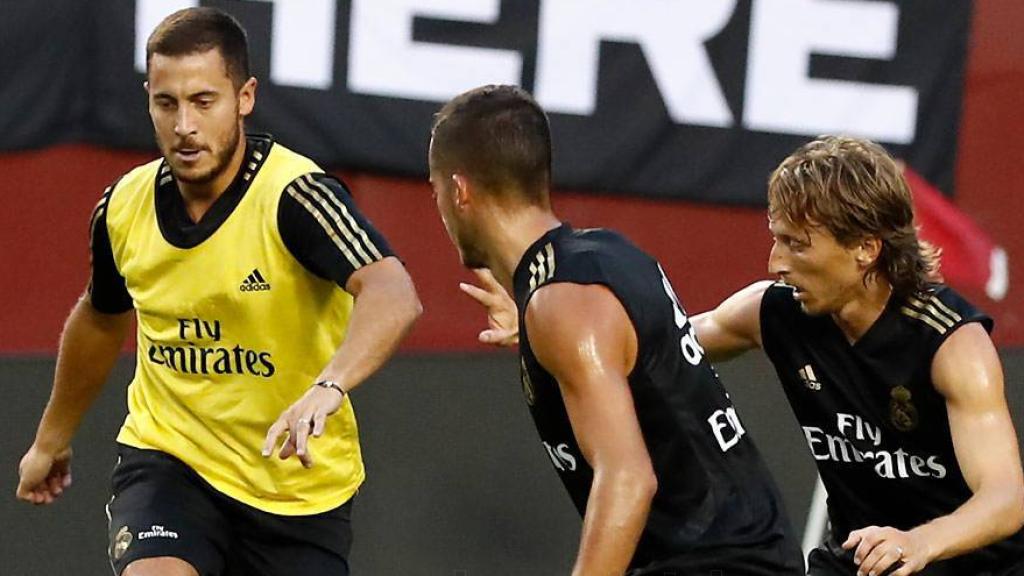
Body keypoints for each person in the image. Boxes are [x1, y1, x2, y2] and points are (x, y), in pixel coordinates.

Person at [15, 7, 421, 576]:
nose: (184, 125)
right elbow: (102, 317)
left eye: (204, 102)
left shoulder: (294, 195)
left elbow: (392, 290)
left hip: (295, 490)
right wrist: (50, 440)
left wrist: (330, 386)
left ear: (245, 97)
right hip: (170, 462)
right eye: (167, 103)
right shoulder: (123, 207)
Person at [429, 84, 804, 575]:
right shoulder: (602, 256)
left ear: (460, 191)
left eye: (435, 188)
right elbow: (643, 358)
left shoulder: (564, 302)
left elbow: (628, 478)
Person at [690, 136, 1024, 576]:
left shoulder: (951, 344)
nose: (776, 263)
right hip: (861, 560)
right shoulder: (771, 313)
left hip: (968, 567)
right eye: (777, 239)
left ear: (866, 249)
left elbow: (1005, 498)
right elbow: (659, 344)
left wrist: (919, 542)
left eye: (798, 245)